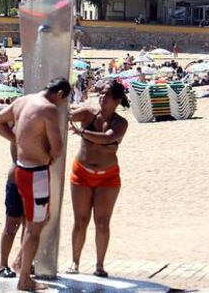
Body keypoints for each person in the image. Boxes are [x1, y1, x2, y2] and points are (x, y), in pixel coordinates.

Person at [0, 77, 71, 293]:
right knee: (34, 228)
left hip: (20, 169)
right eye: (63, 101)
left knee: (37, 220)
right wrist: (48, 157)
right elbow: (58, 147)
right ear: (61, 94)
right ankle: (24, 278)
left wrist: (17, 140)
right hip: (36, 173)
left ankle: (18, 262)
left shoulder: (23, 101)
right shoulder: (49, 109)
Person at [67, 80, 129, 278]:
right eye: (101, 93)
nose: (103, 97)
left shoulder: (121, 123)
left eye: (108, 95)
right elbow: (66, 116)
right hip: (81, 173)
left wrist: (81, 132)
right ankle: (74, 262)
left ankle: (99, 265)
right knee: (81, 221)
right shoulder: (87, 114)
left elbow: (108, 138)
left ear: (117, 100)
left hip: (108, 177)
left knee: (102, 222)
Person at [0, 141, 24, 279]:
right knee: (11, 225)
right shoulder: (17, 126)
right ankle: (3, 264)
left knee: (32, 224)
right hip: (16, 179)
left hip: (36, 177)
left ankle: (22, 260)